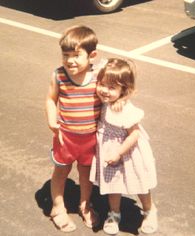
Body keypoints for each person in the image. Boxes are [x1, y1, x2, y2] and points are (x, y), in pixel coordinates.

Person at [90, 58, 158, 235]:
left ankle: (149, 211)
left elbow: (134, 134)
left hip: (128, 153)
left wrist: (119, 152)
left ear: (124, 90)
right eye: (102, 84)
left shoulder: (125, 109)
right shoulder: (105, 102)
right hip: (108, 152)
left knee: (139, 184)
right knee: (113, 184)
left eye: (112, 87)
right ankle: (114, 214)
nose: (105, 90)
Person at [45, 25, 101, 232]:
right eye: (66, 54)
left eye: (76, 55)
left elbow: (114, 95)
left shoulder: (99, 77)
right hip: (65, 137)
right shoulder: (59, 75)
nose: (70, 60)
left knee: (86, 173)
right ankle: (57, 207)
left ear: (92, 55)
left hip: (90, 138)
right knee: (61, 171)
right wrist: (52, 120)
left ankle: (85, 205)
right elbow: (51, 100)